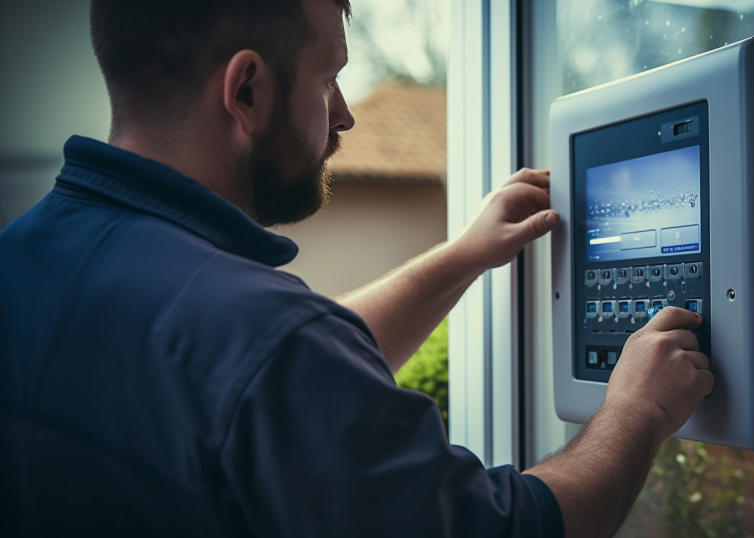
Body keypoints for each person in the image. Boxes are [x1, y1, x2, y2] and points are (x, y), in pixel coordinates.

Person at [0, 0, 714, 536]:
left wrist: (463, 255)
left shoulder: (26, 257)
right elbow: (513, 528)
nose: (343, 115)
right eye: (329, 80)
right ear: (245, 90)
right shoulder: (262, 337)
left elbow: (270, 384)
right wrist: (638, 410)